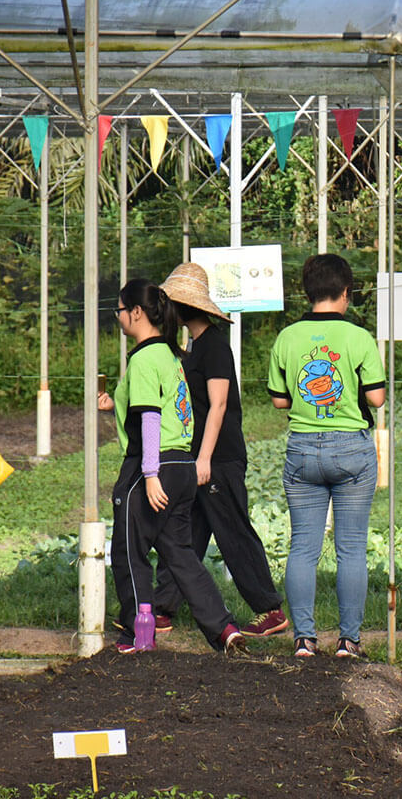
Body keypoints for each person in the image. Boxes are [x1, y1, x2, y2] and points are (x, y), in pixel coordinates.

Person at [98, 278, 245, 655]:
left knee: (128, 552)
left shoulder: (144, 357)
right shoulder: (171, 355)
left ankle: (137, 635)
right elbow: (168, 411)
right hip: (181, 464)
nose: (118, 317)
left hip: (153, 467)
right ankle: (224, 628)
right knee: (180, 554)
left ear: (136, 313)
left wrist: (148, 475)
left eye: (119, 310)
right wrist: (115, 406)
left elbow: (149, 417)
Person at [153, 263, 287, 637]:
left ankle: (269, 609)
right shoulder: (195, 346)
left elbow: (219, 405)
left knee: (233, 533)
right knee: (185, 534)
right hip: (202, 459)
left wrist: (205, 459)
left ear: (184, 308)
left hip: (219, 459)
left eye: (171, 303)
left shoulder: (214, 346)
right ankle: (162, 607)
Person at [267, 254, 385, 659]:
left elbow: (281, 401)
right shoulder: (359, 337)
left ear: (308, 292)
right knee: (351, 548)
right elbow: (377, 397)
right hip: (351, 450)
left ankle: (303, 639)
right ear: (346, 293)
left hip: (302, 449)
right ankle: (349, 642)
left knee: (303, 547)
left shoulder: (286, 338)